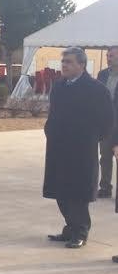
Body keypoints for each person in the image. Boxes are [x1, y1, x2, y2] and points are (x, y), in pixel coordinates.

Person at [45, 47, 114, 249]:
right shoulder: (59, 86)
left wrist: (92, 139)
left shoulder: (96, 89)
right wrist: (49, 130)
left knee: (78, 193)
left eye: (69, 62)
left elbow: (107, 121)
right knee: (60, 190)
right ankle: (70, 228)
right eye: (63, 61)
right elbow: (53, 112)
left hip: (81, 149)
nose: (64, 65)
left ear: (82, 65)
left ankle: (80, 231)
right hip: (58, 147)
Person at [96, 46, 118, 198]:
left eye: (112, 56)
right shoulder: (102, 74)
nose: (108, 59)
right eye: (107, 56)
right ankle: (105, 188)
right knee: (105, 157)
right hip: (106, 122)